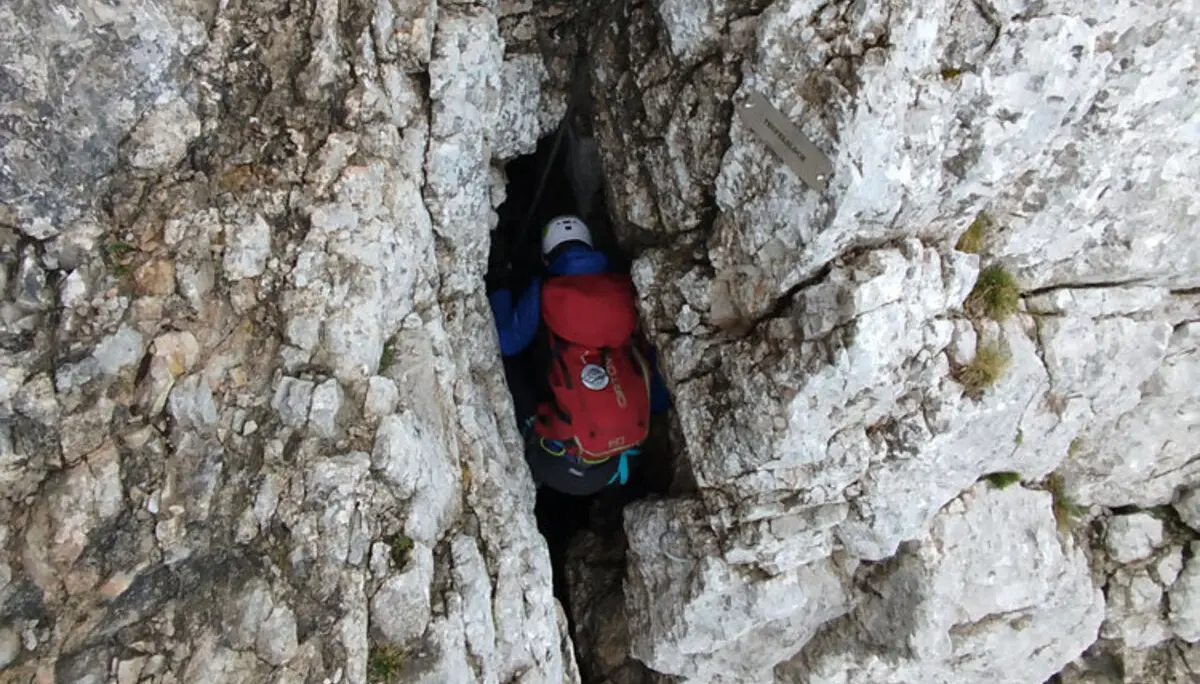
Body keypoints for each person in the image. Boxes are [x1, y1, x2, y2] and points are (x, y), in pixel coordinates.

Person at [487, 215, 671, 496]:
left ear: (546, 259)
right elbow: (654, 390)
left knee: (510, 369)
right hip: (622, 459)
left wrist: (500, 286)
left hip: (560, 465)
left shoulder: (545, 292)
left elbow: (508, 343)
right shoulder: (625, 288)